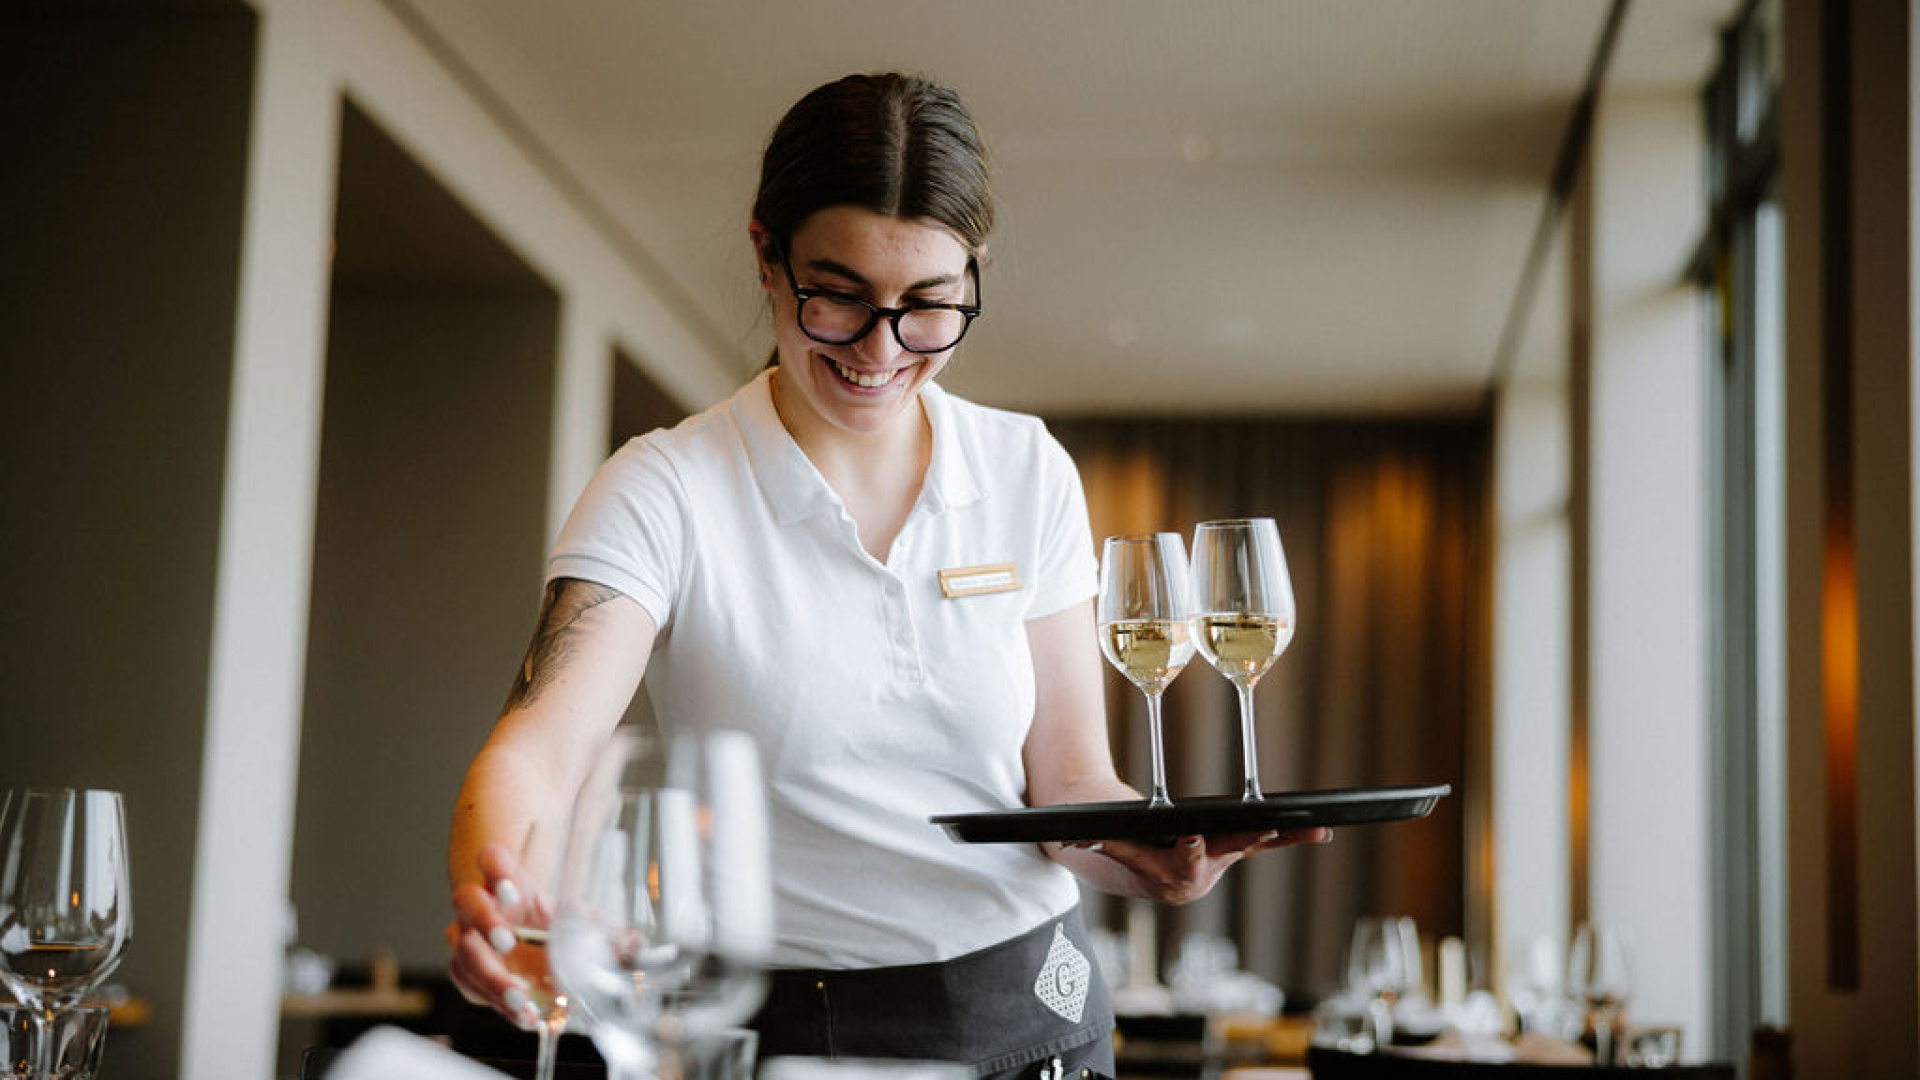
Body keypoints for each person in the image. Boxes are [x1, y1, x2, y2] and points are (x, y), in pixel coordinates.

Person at [446, 71, 1328, 1079]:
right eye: (839, 296)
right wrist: (499, 894)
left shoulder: (1026, 469)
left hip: (1033, 1006)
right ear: (766, 259)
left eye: (928, 307)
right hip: (777, 1019)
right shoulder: (667, 487)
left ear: (972, 276)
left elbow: (1068, 790)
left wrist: (1155, 860)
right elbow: (541, 751)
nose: (881, 347)